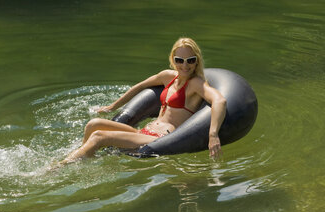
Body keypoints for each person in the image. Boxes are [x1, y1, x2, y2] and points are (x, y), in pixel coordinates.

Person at [60, 37, 226, 165]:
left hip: (161, 138)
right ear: (173, 59)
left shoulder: (196, 84)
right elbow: (140, 86)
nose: (185, 65)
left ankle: (61, 167)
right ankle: (85, 159)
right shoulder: (167, 76)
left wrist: (213, 134)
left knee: (98, 137)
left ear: (196, 60)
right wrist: (112, 106)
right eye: (179, 60)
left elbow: (220, 100)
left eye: (190, 60)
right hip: (144, 132)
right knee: (93, 124)